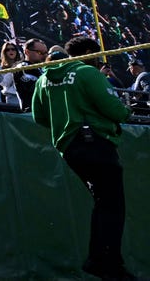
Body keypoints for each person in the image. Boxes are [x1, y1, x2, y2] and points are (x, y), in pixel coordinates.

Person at [31, 37, 135, 281]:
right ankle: (106, 263)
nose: (98, 60)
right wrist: (124, 112)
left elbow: (38, 116)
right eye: (96, 54)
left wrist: (63, 126)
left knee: (103, 202)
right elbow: (113, 107)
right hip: (96, 142)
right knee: (112, 204)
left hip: (70, 148)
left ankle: (103, 261)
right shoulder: (86, 71)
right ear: (88, 52)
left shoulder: (43, 78)